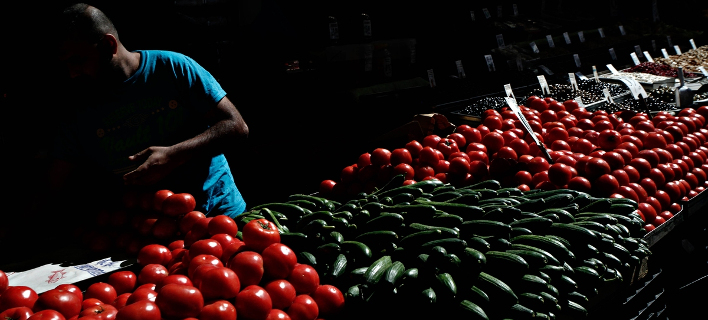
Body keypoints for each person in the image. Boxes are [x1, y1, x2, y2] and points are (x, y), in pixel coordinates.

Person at [47, 3, 248, 218]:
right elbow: (52, 183)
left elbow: (236, 127)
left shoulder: (173, 68)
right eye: (65, 64)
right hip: (149, 231)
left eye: (77, 61)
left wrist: (174, 155)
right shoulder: (77, 105)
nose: (72, 74)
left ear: (108, 45)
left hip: (218, 217)